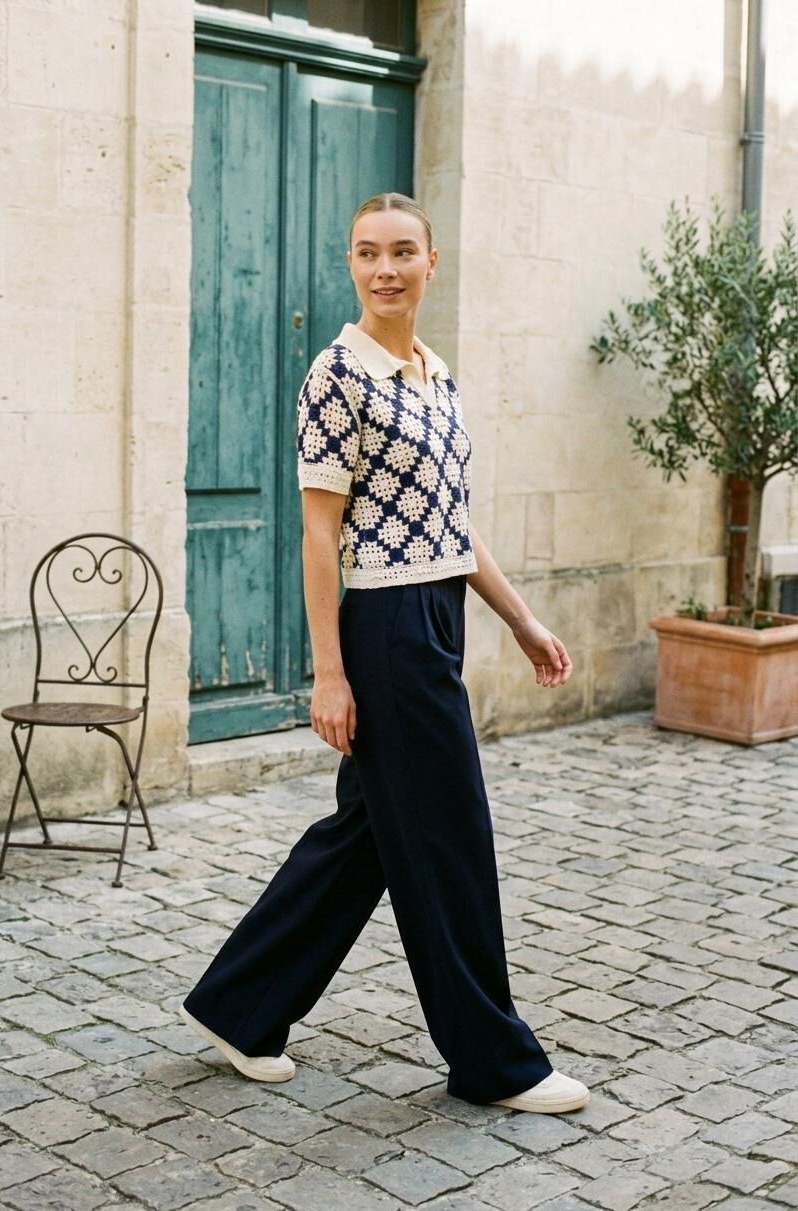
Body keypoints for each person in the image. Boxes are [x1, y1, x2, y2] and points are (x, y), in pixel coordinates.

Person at [180, 192, 590, 1115]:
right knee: (450, 834)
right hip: (387, 627)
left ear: (431, 262)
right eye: (367, 252)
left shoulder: (435, 375)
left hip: (437, 612)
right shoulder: (337, 375)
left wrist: (521, 620)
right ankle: (495, 1061)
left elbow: (453, 524)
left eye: (403, 251)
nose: (385, 268)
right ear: (351, 264)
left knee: (367, 836)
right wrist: (330, 672)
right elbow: (319, 536)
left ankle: (238, 1007)